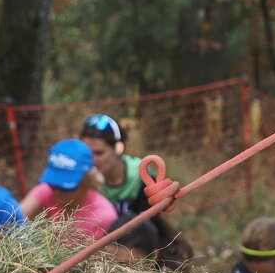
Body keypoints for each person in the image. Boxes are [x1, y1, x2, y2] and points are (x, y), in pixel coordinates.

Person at [79, 113, 194, 264]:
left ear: (118, 148)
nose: (92, 160)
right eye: (87, 153)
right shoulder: (80, 177)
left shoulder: (141, 175)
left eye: (99, 153)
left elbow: (149, 225)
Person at [18, 138, 117, 241]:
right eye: (53, 184)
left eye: (65, 187)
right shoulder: (46, 191)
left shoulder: (102, 216)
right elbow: (12, 220)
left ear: (87, 180)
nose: (56, 191)